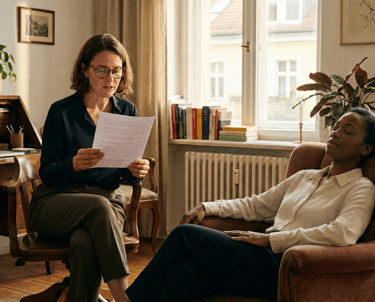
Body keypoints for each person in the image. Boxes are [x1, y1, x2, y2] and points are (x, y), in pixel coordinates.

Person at [124, 107, 375, 302]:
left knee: (183, 235)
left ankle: (126, 299)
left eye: (348, 131)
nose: (336, 133)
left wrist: (272, 240)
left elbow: (343, 233)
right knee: (182, 274)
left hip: (287, 266)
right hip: (260, 258)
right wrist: (207, 207)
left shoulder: (361, 188)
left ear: (366, 148)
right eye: (337, 126)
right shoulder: (305, 177)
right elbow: (256, 205)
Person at [29, 33, 150, 302]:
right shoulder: (61, 112)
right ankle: (124, 297)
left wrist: (135, 170)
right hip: (56, 203)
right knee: (99, 206)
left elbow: (124, 175)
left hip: (105, 203)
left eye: (116, 71)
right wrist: (72, 164)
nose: (110, 79)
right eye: (101, 70)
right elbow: (46, 173)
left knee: (84, 242)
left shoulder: (126, 110)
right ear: (84, 70)